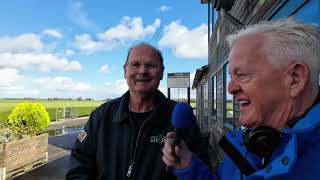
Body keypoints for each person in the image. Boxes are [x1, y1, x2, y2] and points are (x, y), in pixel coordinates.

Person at [162, 18, 320, 180]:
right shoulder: (247, 143)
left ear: (295, 79)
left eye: (242, 75)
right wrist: (188, 167)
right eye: (231, 76)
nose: (230, 88)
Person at [66, 42, 209, 180]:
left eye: (150, 65)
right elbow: (79, 165)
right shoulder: (102, 116)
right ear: (125, 71)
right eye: (135, 65)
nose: (142, 71)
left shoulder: (182, 120)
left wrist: (184, 166)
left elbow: (202, 167)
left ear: (161, 72)